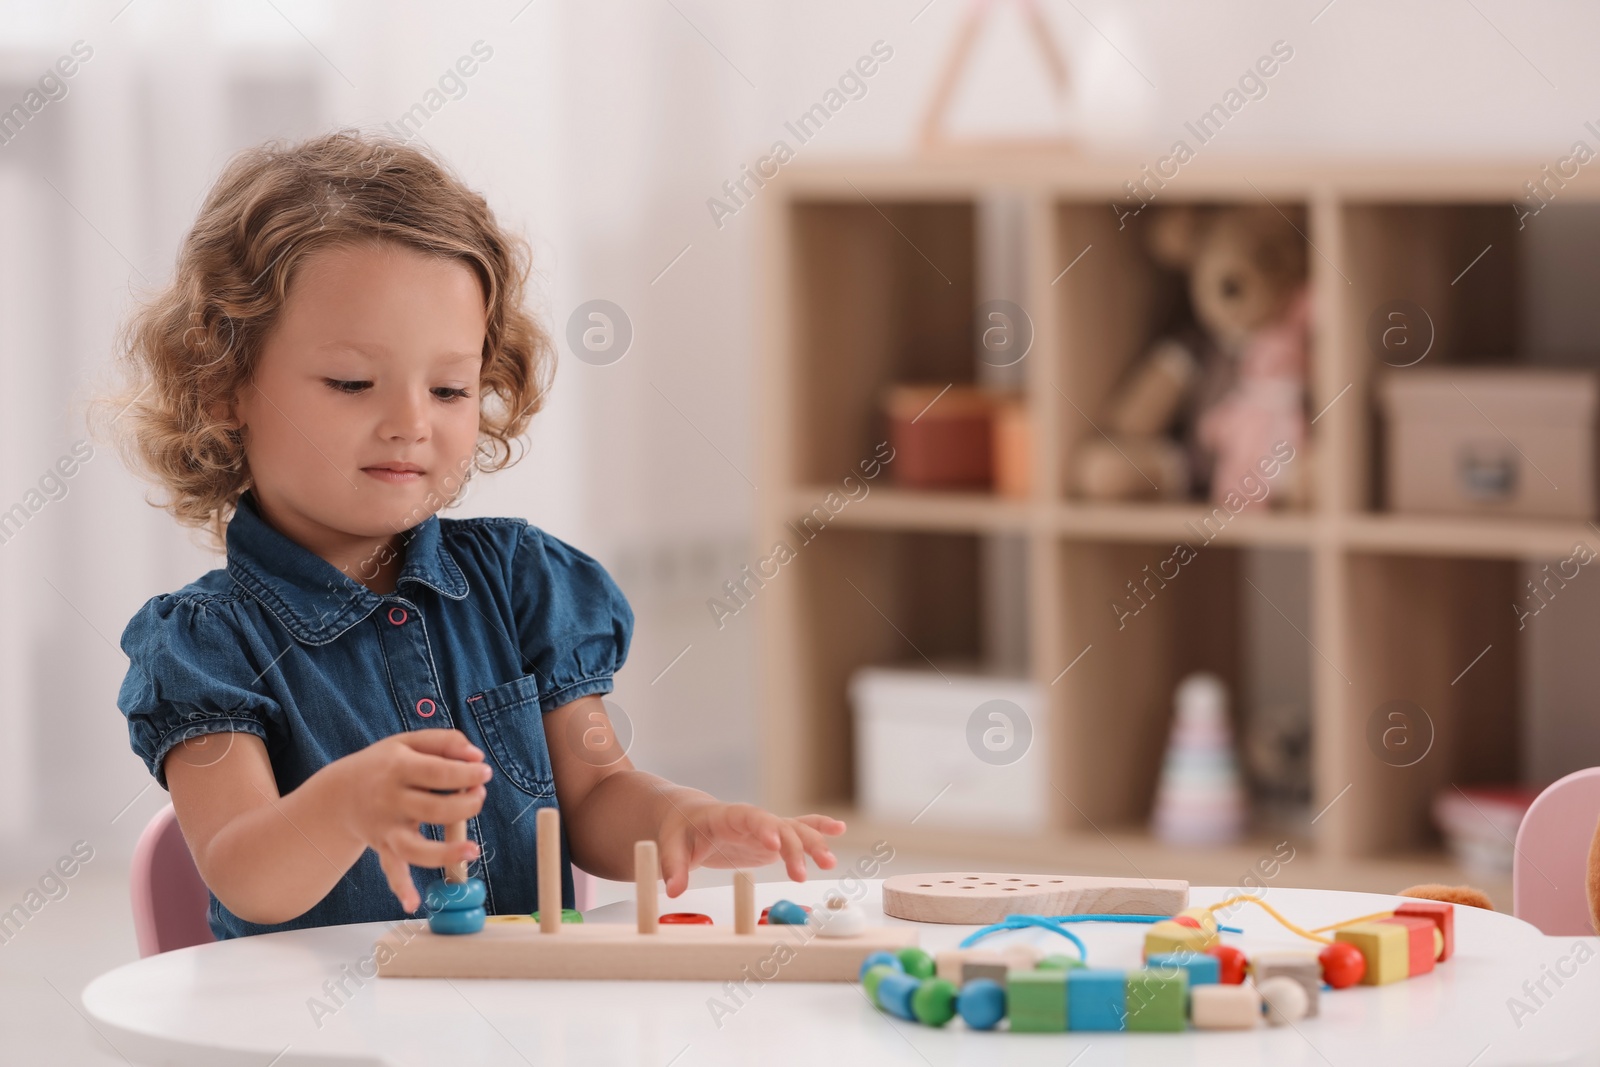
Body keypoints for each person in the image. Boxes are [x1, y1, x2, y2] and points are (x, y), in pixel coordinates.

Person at [96, 130, 842, 939]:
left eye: (450, 387)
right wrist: (346, 803)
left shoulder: (524, 582)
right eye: (352, 382)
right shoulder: (204, 646)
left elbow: (595, 795)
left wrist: (679, 819)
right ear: (223, 385)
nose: (411, 423)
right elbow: (247, 875)